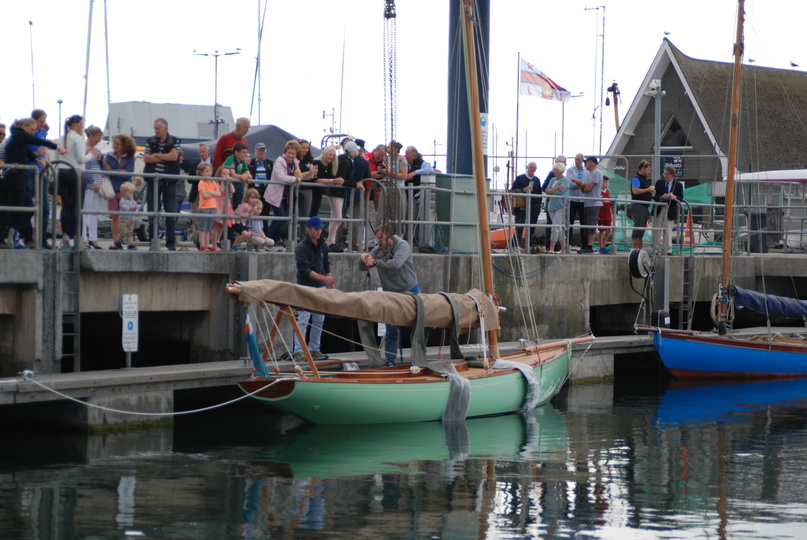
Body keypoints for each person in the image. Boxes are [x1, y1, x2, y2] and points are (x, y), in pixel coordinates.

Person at [360, 223, 420, 367]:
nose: (378, 241)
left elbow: (396, 263)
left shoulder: (402, 245)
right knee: (391, 330)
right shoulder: (378, 249)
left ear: (389, 237)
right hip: (391, 293)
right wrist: (363, 258)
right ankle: (390, 361)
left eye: (381, 238)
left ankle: (419, 359)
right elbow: (364, 266)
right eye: (377, 238)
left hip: (410, 290)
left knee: (419, 326)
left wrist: (375, 262)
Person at [0, 118, 65, 249]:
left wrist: (37, 159)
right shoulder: (19, 134)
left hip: (19, 174)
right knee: (16, 207)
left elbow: (26, 151)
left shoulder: (19, 138)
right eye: (32, 129)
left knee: (26, 206)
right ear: (24, 126)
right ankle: (12, 232)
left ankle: (13, 231)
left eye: (35, 130)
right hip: (14, 175)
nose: (33, 132)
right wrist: (56, 146)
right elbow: (37, 141)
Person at [291, 216, 334, 362]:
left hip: (320, 286)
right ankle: (299, 351)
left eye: (320, 229)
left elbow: (326, 264)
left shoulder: (323, 245)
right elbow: (305, 270)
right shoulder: (301, 247)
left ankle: (314, 349)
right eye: (316, 229)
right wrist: (324, 278)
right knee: (303, 320)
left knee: (319, 320)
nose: (319, 232)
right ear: (308, 229)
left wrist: (329, 278)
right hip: (305, 287)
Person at [265, 140, 314, 245]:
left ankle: (268, 241)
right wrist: (295, 179)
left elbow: (299, 175)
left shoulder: (295, 162)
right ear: (285, 151)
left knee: (278, 219)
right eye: (289, 153)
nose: (291, 155)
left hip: (286, 196)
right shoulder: (280, 161)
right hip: (276, 194)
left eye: (293, 153)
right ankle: (271, 242)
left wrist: (298, 177)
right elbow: (281, 177)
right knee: (282, 218)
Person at [143, 118, 181, 251]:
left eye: (157, 128)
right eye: (154, 128)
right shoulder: (150, 140)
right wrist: (166, 155)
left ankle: (170, 243)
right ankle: (153, 241)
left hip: (169, 181)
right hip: (152, 181)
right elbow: (146, 158)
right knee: (153, 212)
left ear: (165, 129)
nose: (155, 131)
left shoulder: (175, 140)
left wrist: (156, 155)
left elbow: (174, 157)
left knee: (170, 213)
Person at [58, 114, 94, 248]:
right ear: (75, 125)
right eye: (81, 125)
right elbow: (80, 159)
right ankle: (72, 235)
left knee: (66, 206)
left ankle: (65, 234)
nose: (82, 128)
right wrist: (91, 154)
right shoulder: (78, 138)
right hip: (75, 173)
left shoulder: (62, 138)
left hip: (62, 172)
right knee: (77, 206)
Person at [104, 133, 137, 246]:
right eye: (114, 143)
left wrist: (113, 171)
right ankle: (116, 241)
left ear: (124, 145)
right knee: (114, 217)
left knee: (127, 216)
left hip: (126, 190)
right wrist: (121, 171)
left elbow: (129, 173)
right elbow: (106, 172)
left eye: (118, 143)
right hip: (112, 190)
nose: (115, 145)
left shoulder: (130, 157)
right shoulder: (109, 156)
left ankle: (127, 241)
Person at [326, 144, 356, 252]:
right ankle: (330, 241)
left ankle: (331, 241)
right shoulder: (346, 162)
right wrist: (354, 184)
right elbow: (342, 179)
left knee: (334, 217)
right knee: (338, 218)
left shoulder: (341, 160)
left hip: (337, 192)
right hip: (337, 192)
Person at [403, 145, 435, 245]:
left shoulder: (423, 163)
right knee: (407, 217)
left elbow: (430, 170)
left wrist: (414, 173)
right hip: (406, 196)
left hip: (416, 196)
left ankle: (415, 241)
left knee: (413, 217)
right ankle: (409, 240)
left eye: (407, 154)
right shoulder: (406, 165)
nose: (405, 156)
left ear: (413, 155)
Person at [80, 126, 105, 249]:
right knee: (85, 212)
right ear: (91, 136)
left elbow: (100, 167)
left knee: (94, 212)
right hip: (89, 185)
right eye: (98, 138)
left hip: (98, 184)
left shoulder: (97, 150)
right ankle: (84, 238)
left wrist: (102, 161)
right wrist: (93, 181)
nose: (99, 140)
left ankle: (93, 238)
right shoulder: (84, 149)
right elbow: (85, 167)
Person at [654, 164, 684, 255]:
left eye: (666, 174)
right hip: (659, 209)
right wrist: (661, 196)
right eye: (664, 174)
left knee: (668, 230)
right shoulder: (659, 183)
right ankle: (656, 249)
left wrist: (674, 197)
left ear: (672, 175)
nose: (665, 176)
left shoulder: (678, 185)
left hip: (670, 209)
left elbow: (681, 197)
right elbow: (655, 195)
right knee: (657, 229)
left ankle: (667, 250)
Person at [511, 161, 542, 249]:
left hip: (534, 206)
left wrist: (538, 205)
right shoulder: (520, 178)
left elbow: (539, 193)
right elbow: (513, 190)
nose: (532, 169)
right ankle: (515, 245)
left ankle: (528, 245)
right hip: (522, 205)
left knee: (531, 226)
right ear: (527, 167)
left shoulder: (537, 180)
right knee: (519, 225)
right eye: (530, 167)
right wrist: (523, 190)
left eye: (534, 168)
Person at [579, 156, 603, 254]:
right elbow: (583, 189)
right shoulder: (590, 174)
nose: (585, 163)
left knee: (591, 224)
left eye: (587, 161)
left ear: (592, 162)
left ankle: (589, 246)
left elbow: (587, 188)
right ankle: (586, 246)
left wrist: (583, 185)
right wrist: (583, 185)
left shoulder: (596, 173)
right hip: (588, 203)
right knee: (587, 224)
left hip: (593, 203)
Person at [565, 153, 589, 250]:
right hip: (572, 200)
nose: (577, 161)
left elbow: (589, 184)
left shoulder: (587, 171)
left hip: (584, 200)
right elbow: (569, 184)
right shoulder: (570, 171)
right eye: (576, 159)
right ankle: (568, 244)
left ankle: (584, 244)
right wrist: (582, 185)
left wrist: (580, 183)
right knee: (569, 222)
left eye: (579, 159)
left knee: (584, 223)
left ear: (582, 160)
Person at [542, 155, 566, 250]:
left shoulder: (564, 180)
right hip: (552, 204)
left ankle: (556, 246)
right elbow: (546, 189)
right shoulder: (552, 177)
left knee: (556, 226)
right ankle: (552, 246)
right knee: (554, 225)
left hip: (559, 205)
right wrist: (555, 189)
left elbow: (562, 191)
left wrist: (552, 190)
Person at [630, 160, 655, 250]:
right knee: (638, 227)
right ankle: (636, 248)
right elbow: (635, 191)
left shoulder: (644, 180)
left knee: (641, 227)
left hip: (644, 206)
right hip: (638, 205)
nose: (649, 172)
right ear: (642, 169)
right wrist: (647, 190)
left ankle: (638, 247)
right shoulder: (636, 178)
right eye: (648, 169)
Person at [196, 162, 220, 252]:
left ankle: (207, 244)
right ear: (201, 172)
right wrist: (213, 194)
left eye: (210, 171)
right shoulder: (201, 182)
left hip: (213, 206)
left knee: (209, 227)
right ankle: (202, 244)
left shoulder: (213, 182)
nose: (209, 173)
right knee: (203, 227)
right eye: (206, 171)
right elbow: (204, 195)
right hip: (204, 207)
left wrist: (209, 192)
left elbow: (218, 193)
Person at [222, 141, 252, 209]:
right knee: (229, 205)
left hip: (238, 184)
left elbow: (249, 174)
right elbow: (233, 175)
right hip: (228, 184)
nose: (246, 155)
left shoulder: (242, 161)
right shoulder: (231, 159)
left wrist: (246, 176)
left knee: (238, 205)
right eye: (243, 152)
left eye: (246, 152)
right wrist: (243, 176)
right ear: (236, 152)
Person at [112, 181, 139, 250]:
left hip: (131, 218)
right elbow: (124, 207)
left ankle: (130, 244)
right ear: (123, 193)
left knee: (130, 232)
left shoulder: (132, 199)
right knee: (123, 232)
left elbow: (134, 203)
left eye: (132, 193)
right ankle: (117, 241)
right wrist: (130, 208)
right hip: (124, 219)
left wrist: (135, 207)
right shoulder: (122, 200)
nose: (131, 194)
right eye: (130, 193)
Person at [597, 176, 612, 254]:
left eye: (607, 182)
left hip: (608, 214)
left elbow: (609, 203)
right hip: (601, 214)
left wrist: (611, 212)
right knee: (602, 230)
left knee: (608, 230)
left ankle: (604, 245)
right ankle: (601, 247)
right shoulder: (598, 192)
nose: (606, 184)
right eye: (604, 182)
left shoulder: (608, 192)